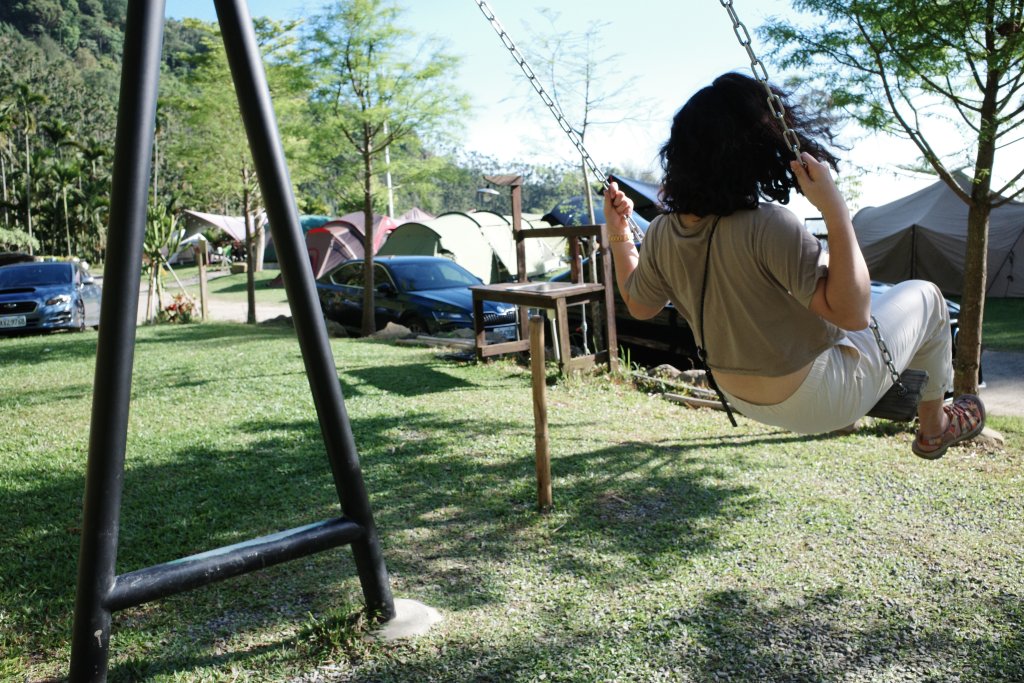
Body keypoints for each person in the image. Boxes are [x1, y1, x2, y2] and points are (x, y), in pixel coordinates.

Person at [603, 72, 984, 459]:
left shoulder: (665, 231)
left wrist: (619, 232)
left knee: (849, 325)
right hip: (821, 396)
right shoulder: (769, 224)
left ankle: (904, 400)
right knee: (929, 297)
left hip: (739, 395)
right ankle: (936, 427)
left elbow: (639, 304)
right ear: (755, 149)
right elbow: (852, 313)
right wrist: (833, 207)